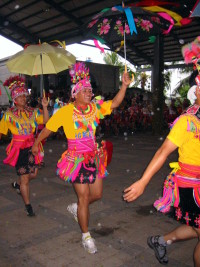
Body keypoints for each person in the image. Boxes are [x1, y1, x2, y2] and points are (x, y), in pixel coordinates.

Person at [32, 62, 131, 254]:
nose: (89, 93)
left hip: (94, 157)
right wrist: (37, 143)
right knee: (84, 197)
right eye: (85, 90)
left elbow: (116, 103)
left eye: (90, 90)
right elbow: (47, 129)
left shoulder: (95, 108)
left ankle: (76, 208)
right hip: (75, 160)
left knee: (97, 195)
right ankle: (86, 235)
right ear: (74, 93)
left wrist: (124, 85)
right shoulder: (65, 112)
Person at [123, 71, 200, 266]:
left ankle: (160, 241)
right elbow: (163, 152)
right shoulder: (187, 121)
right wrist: (143, 181)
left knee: (196, 228)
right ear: (197, 90)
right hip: (191, 186)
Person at [0, 76, 49, 216]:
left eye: (24, 96)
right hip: (19, 149)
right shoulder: (9, 115)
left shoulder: (33, 111)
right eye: (20, 96)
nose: (23, 98)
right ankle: (28, 206)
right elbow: (1, 131)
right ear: (14, 99)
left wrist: (45, 107)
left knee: (33, 173)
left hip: (33, 147)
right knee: (25, 178)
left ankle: (18, 185)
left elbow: (45, 120)